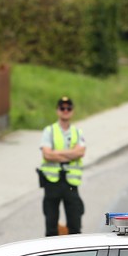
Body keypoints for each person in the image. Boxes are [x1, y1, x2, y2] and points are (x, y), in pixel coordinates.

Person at [38, 96, 86, 236]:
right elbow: (47, 155)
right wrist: (71, 154)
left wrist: (57, 153)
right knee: (51, 224)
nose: (65, 111)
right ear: (57, 110)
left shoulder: (77, 132)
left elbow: (81, 152)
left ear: (72, 111)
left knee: (75, 223)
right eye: (62, 108)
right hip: (52, 182)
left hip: (71, 182)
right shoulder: (49, 131)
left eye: (68, 108)